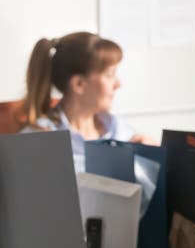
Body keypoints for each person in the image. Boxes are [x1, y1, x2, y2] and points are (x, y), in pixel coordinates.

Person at [21, 31, 151, 172]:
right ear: (79, 84)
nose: (118, 84)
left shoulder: (118, 128)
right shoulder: (39, 141)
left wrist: (149, 157)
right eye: (109, 75)